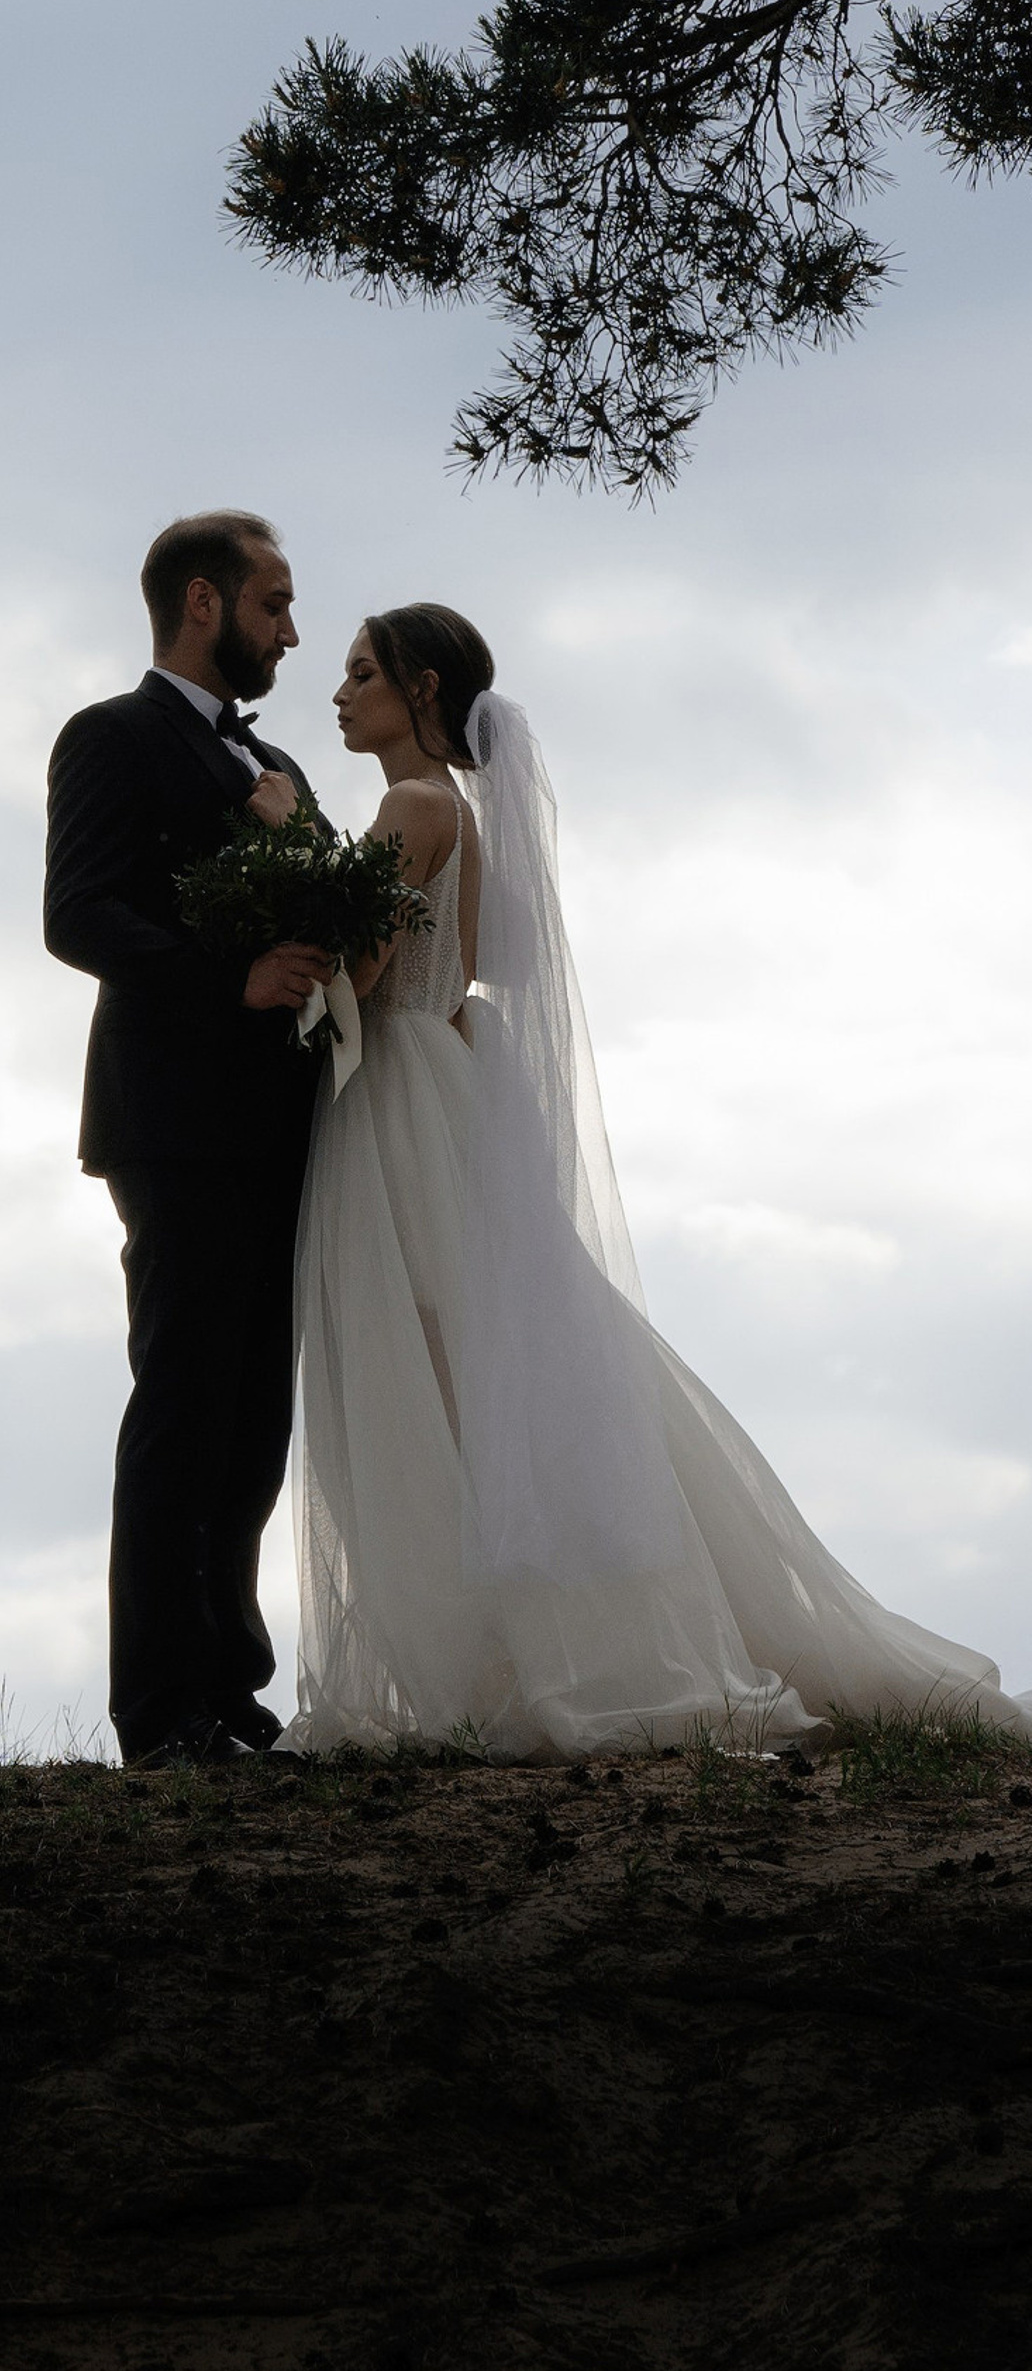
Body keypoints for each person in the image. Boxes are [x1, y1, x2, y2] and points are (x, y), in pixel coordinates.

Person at [291, 606, 1025, 1755]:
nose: (337, 694)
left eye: (359, 673)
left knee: (424, 1381)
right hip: (444, 1086)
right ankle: (514, 1649)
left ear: (418, 687)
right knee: (476, 1382)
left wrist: (289, 885)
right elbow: (476, 967)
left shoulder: (410, 807)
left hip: (398, 1099)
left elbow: (366, 971)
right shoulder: (465, 817)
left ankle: (491, 1662)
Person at [43, 511, 328, 1767]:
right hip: (169, 1123)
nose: (292, 629)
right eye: (273, 602)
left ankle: (232, 1690)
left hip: (280, 1126)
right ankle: (158, 1713)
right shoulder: (109, 737)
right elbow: (79, 914)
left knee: (255, 1413)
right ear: (202, 604)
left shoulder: (281, 770)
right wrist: (232, 982)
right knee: (183, 1401)